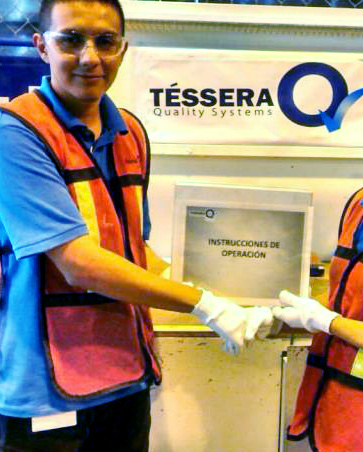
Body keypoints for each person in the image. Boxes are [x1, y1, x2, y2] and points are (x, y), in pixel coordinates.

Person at [0, 0, 273, 450]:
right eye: (71, 40)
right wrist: (206, 305)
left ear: (122, 50)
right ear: (42, 47)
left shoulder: (130, 132)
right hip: (44, 387)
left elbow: (132, 249)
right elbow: (78, 263)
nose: (90, 57)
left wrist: (234, 294)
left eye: (105, 41)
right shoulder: (16, 132)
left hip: (125, 377)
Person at [273, 66, 363, 452]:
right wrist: (276, 316)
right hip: (341, 415)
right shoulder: (360, 203)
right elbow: (351, 299)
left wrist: (328, 323)